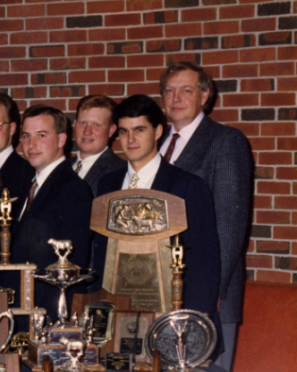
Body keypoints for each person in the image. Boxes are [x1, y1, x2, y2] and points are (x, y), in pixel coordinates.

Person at [91, 95, 220, 322]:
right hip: (116, 313)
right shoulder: (107, 184)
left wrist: (189, 328)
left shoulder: (187, 186)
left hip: (170, 315)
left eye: (139, 129)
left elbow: (204, 265)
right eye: (123, 131)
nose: (130, 139)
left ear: (158, 131)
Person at [159, 61, 253, 372]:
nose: (176, 99)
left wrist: (213, 293)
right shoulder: (156, 146)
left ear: (205, 96)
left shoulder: (226, 141)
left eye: (186, 90)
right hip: (161, 290)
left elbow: (229, 227)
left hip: (207, 295)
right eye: (170, 91)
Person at [0, 105, 93, 318]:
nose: (31, 145)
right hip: (22, 309)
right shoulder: (26, 187)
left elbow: (68, 267)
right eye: (26, 136)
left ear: (61, 140)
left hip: (47, 314)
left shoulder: (72, 189)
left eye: (41, 135)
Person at [69, 94, 127, 195]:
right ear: (75, 124)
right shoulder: (61, 168)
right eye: (83, 123)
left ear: (111, 130)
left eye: (96, 125)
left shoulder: (122, 172)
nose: (87, 131)